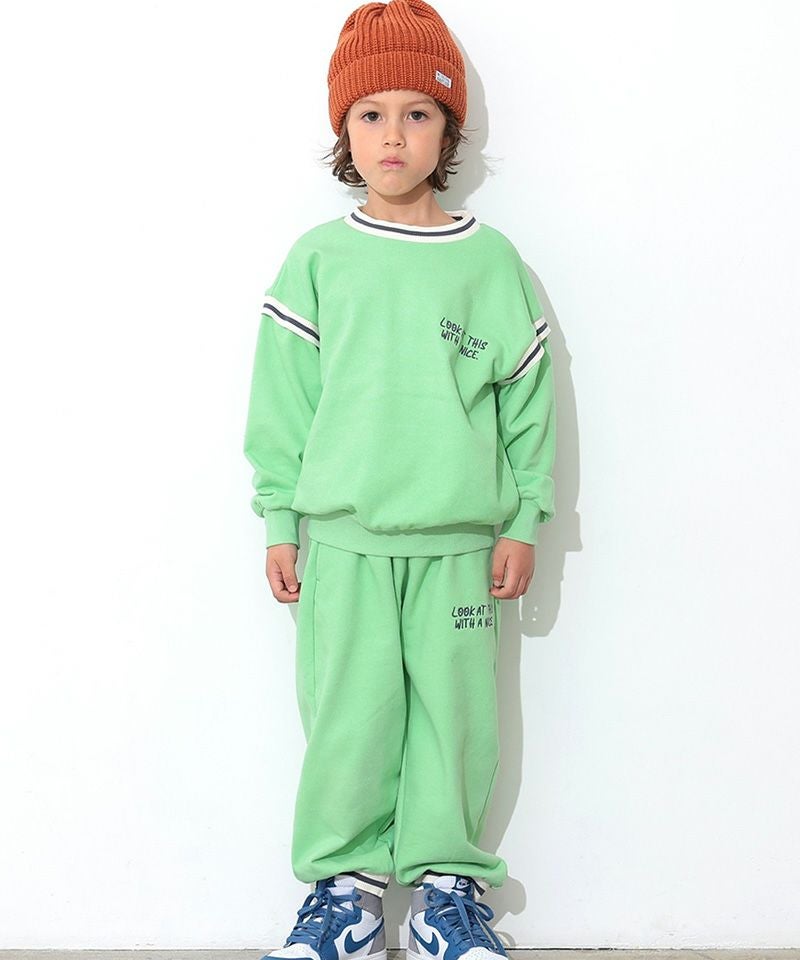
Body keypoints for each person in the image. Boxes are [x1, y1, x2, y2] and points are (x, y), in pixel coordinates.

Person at [242, 1, 557, 959]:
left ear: (448, 128)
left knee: (457, 724)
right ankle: (342, 895)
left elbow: (528, 402)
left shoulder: (489, 264)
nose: (393, 135)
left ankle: (447, 896)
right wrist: (280, 518)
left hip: (460, 545)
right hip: (343, 545)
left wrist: (525, 517)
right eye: (370, 114)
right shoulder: (319, 260)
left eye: (417, 113)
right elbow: (283, 405)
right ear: (343, 130)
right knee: (350, 721)